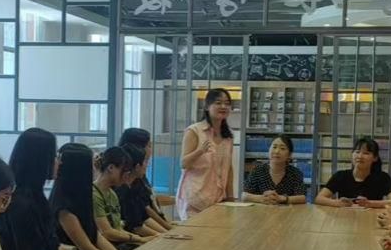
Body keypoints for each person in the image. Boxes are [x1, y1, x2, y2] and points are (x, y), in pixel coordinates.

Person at [0, 128, 85, 250]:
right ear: (41, 160)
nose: (59, 162)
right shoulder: (20, 205)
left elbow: (55, 248)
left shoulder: (37, 197)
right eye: (55, 156)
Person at [50, 143, 121, 250]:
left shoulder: (83, 197)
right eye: (91, 165)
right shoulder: (64, 209)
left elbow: (96, 236)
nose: (94, 168)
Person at [175, 88, 235, 220]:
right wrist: (200, 151)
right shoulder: (194, 131)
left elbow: (229, 168)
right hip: (194, 200)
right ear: (207, 106)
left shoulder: (228, 136)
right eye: (218, 103)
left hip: (218, 199)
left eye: (227, 103)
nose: (223, 106)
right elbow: (183, 163)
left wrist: (230, 197)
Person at [94, 146, 152, 250]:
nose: (127, 176)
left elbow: (118, 229)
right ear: (111, 168)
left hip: (117, 245)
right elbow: (107, 232)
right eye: (125, 171)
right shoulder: (94, 194)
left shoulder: (112, 194)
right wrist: (139, 239)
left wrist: (142, 239)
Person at [315, 137, 391, 207]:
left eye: (366, 153)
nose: (360, 156)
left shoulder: (383, 178)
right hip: (344, 217)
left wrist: (370, 203)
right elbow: (319, 199)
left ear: (375, 158)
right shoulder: (340, 176)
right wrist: (338, 203)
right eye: (357, 152)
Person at [119, 128, 173, 231]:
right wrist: (165, 231)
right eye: (149, 145)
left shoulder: (139, 177)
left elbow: (148, 207)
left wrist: (167, 228)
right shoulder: (124, 185)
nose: (151, 149)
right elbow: (144, 214)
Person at [117, 143, 167, 236]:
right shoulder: (121, 190)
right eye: (145, 162)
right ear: (137, 167)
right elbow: (136, 228)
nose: (147, 165)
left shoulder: (135, 185)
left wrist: (166, 233)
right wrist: (162, 236)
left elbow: (145, 218)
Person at [243, 136, 308, 204]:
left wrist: (281, 198)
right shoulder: (257, 171)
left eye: (282, 148)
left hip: (286, 210)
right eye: (274, 147)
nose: (277, 151)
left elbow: (302, 198)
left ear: (289, 155)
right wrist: (262, 198)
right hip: (261, 209)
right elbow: (244, 195)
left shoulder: (295, 173)